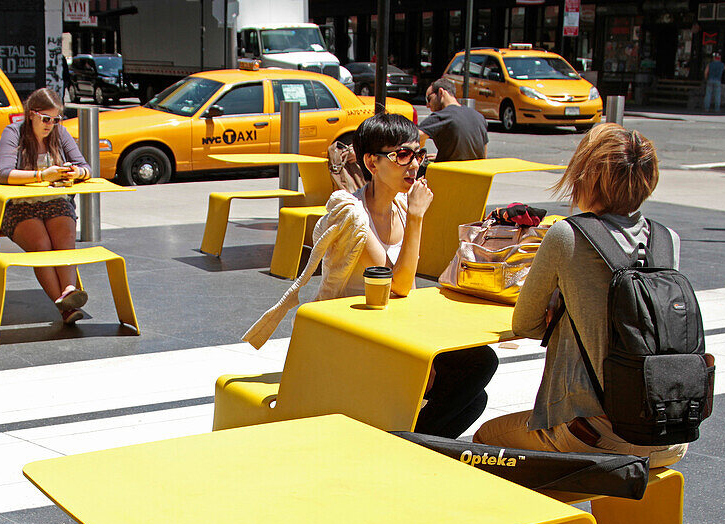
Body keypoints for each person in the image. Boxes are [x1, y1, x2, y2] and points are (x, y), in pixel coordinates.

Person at [243, 113, 496, 438]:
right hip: (349, 339)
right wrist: (418, 218)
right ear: (372, 163)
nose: (414, 165)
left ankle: (409, 443)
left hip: (386, 332)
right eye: (402, 155)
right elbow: (400, 285)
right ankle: (401, 444)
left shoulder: (402, 208)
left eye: (419, 155)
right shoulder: (353, 215)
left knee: (476, 387)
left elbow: (409, 290)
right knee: (476, 371)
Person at [474, 124, 687, 468]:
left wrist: (563, 310)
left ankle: (542, 521)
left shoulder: (568, 235)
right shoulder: (667, 240)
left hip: (594, 433)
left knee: (486, 443)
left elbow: (525, 322)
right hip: (670, 433)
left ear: (587, 177)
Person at [0, 88, 92, 325]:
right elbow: (4, 173)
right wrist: (42, 175)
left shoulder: (60, 133)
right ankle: (65, 307)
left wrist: (76, 172)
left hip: (55, 201)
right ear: (31, 114)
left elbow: (86, 167)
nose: (51, 125)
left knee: (65, 239)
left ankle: (69, 292)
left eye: (56, 119)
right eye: (46, 119)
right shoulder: (13, 133)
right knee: (41, 245)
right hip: (20, 206)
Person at [419, 77, 488, 162]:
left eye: (429, 99)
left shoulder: (442, 116)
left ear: (441, 92)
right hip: (476, 173)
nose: (427, 105)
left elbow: (414, 137)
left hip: (450, 173)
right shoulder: (479, 117)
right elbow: (483, 156)